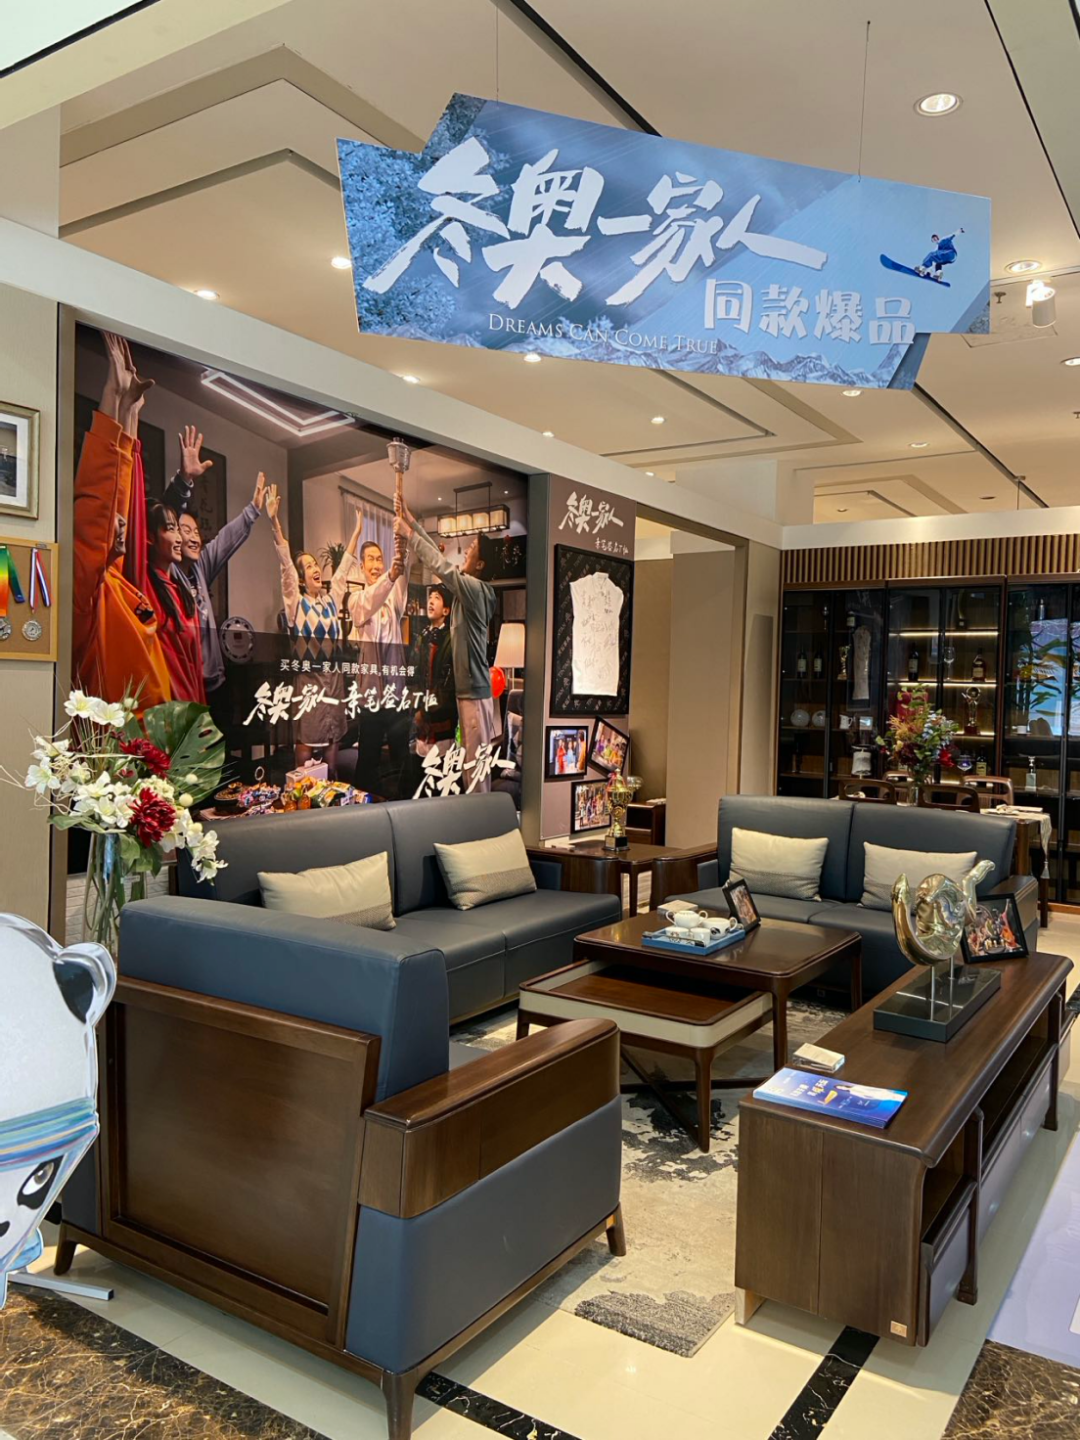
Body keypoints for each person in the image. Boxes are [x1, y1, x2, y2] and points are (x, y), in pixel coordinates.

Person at [72, 332, 171, 712]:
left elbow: (119, 487)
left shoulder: (115, 582)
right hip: (114, 742)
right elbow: (96, 499)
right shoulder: (86, 596)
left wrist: (129, 411)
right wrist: (111, 395)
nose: (123, 523)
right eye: (112, 521)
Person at [163, 426, 266, 718]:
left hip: (216, 685)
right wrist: (184, 482)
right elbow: (162, 517)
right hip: (184, 689)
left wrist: (253, 510)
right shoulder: (168, 572)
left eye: (196, 531)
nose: (194, 537)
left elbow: (224, 541)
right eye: (185, 531)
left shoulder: (200, 568)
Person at [395, 499, 498, 789]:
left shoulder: (477, 590)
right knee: (467, 768)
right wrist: (412, 522)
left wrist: (409, 534)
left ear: (480, 564)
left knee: (474, 772)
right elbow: (440, 561)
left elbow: (441, 566)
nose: (465, 552)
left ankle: (481, 817)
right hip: (467, 694)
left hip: (474, 695)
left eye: (471, 549)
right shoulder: (470, 590)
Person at [266, 484, 356, 777]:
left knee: (333, 737)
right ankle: (301, 788)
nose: (315, 567)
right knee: (307, 738)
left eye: (316, 563)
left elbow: (342, 573)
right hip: (309, 681)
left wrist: (356, 534)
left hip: (335, 680)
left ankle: (332, 785)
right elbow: (285, 569)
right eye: (308, 566)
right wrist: (275, 523)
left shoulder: (330, 600)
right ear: (302, 579)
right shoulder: (296, 604)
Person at [342, 523, 411, 796]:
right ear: (361, 566)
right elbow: (371, 600)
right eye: (370, 559)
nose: (376, 564)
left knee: (401, 755)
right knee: (368, 757)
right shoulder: (356, 599)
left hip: (395, 693)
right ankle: (363, 805)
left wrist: (402, 553)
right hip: (370, 695)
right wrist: (391, 575)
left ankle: (404, 804)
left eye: (379, 559)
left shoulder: (393, 599)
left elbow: (400, 580)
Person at [145, 502, 205, 704]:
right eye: (171, 529)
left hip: (189, 705)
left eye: (179, 530)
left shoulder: (183, 593)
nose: (179, 539)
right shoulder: (145, 585)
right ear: (150, 537)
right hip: (161, 707)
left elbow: (196, 665)